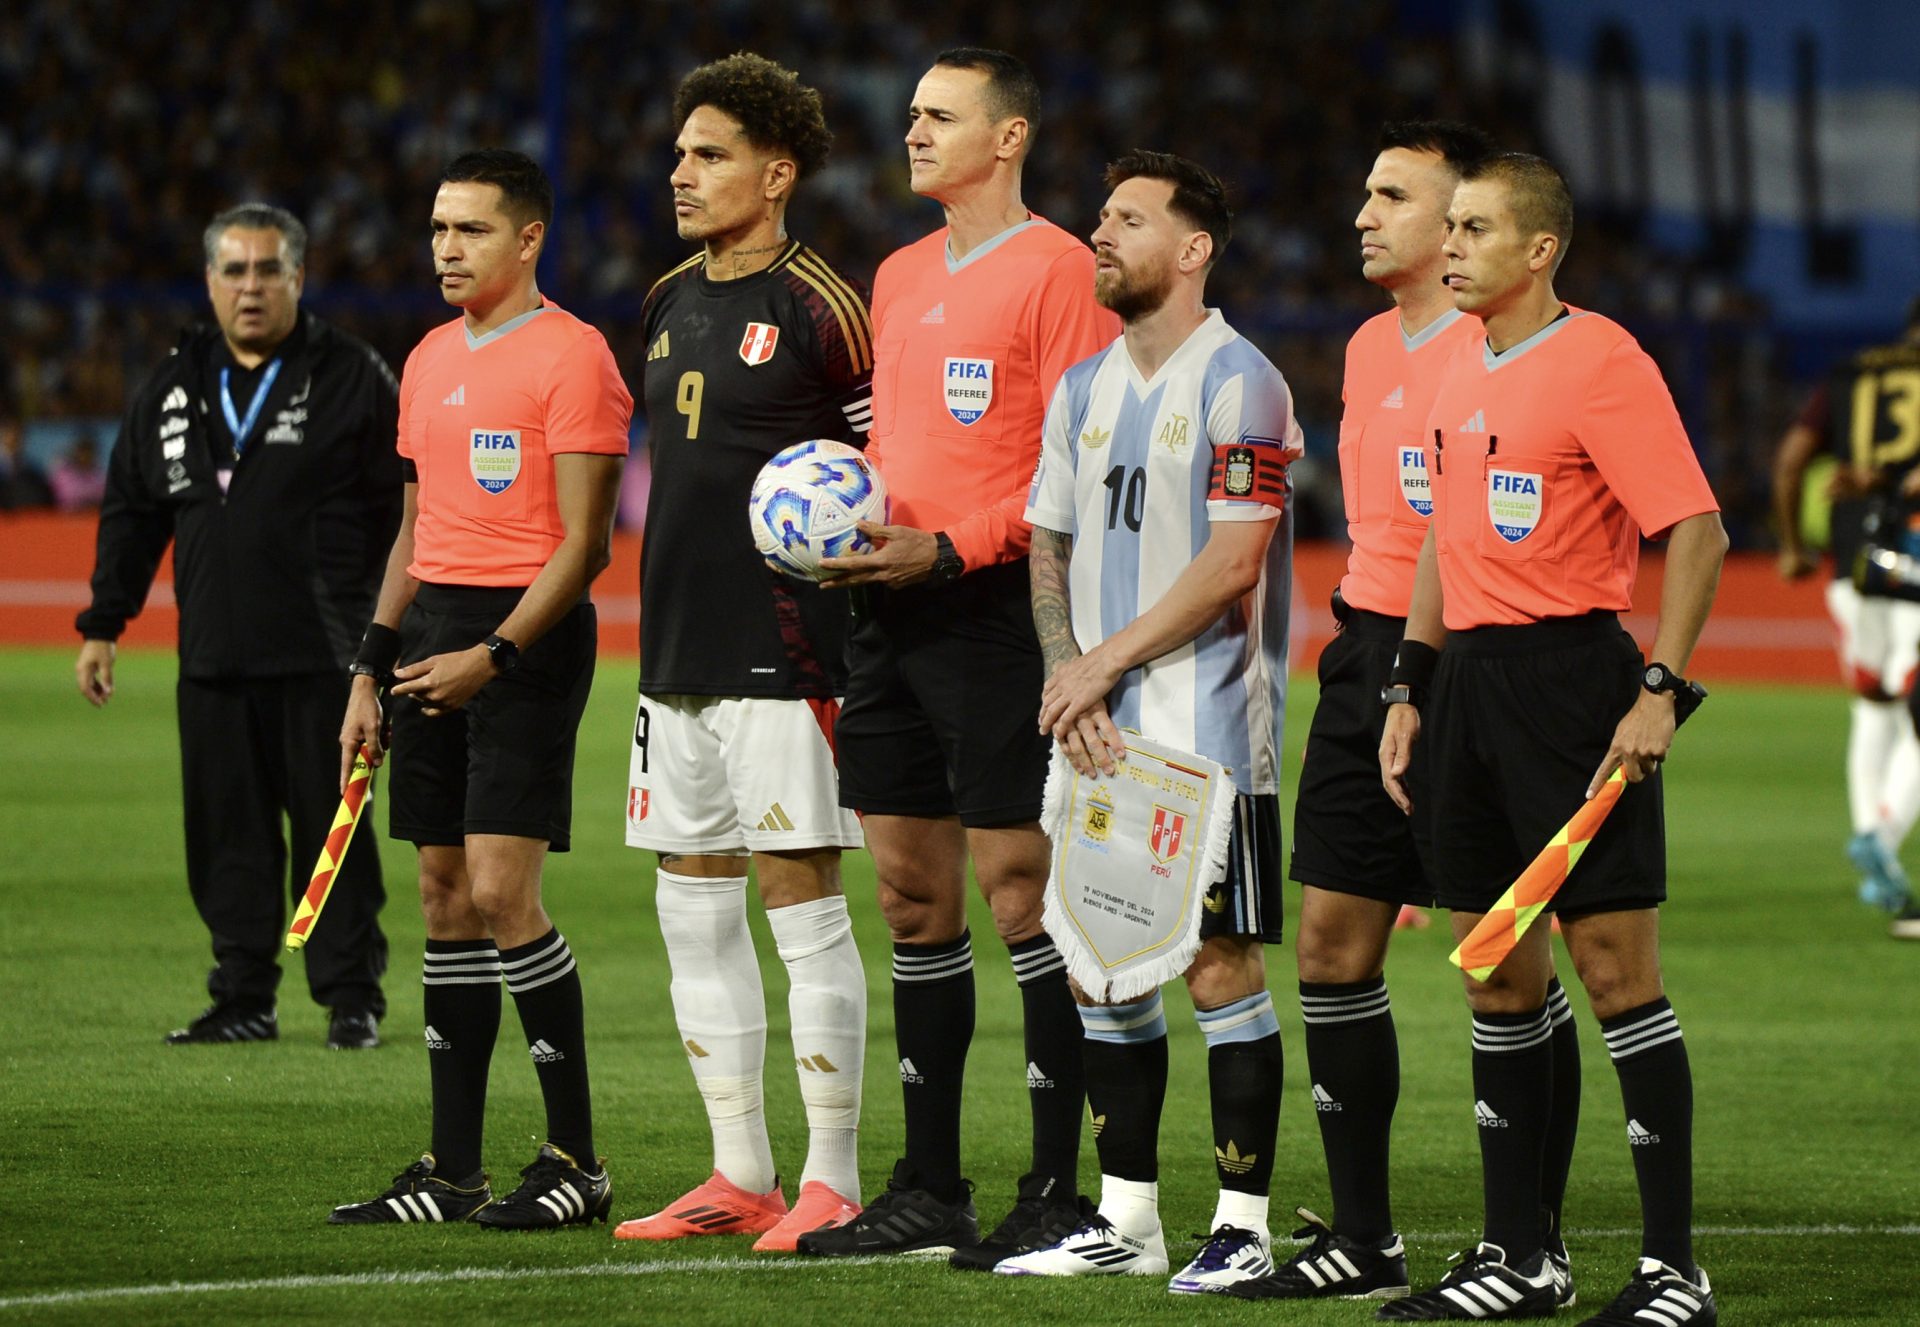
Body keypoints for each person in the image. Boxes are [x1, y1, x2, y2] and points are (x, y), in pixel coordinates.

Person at [1376, 152, 1727, 1325]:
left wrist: (1661, 687)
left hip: (1575, 683)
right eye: (1451, 225)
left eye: (1474, 227)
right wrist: (1408, 687)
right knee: (1496, 970)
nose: (1451, 244)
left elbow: (1697, 529)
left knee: (1615, 967)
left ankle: (1676, 1269)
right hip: (1469, 687)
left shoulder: (1602, 361)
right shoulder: (1452, 365)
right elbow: (1437, 540)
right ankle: (1520, 1256)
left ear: (1539, 251)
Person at [1233, 123, 1578, 1309]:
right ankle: (1364, 1237)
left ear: (1459, 223)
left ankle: (1528, 1239)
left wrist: (1428, 684)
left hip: (1466, 662)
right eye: (1364, 191)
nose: (1365, 213)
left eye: (1395, 196)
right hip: (1360, 644)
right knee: (1329, 941)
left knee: (1504, 959)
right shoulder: (1372, 345)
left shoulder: (1500, 354)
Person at [795, 47, 1120, 1265]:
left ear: (1011, 136)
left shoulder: (1058, 275)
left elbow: (1070, 468)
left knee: (1023, 896)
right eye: (915, 114)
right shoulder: (896, 273)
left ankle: (1057, 1185)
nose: (914, 130)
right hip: (890, 611)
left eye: (942, 116)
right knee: (911, 900)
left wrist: (950, 549)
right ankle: (932, 1183)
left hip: (996, 613)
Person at [993, 150, 1297, 1296]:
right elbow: (1049, 546)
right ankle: (1126, 1218)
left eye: (1127, 219)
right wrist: (1070, 672)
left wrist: (1096, 668)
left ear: (1193, 247)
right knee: (1097, 969)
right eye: (1100, 216)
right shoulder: (1081, 387)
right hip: (1097, 731)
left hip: (1208, 731)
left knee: (1221, 962)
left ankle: (1244, 1223)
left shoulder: (1244, 381)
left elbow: (1233, 562)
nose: (1100, 234)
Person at [330, 149, 631, 1229]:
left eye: (472, 230)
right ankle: (452, 1171)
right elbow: (415, 530)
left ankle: (575, 1162)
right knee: (444, 899)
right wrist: (372, 663)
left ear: (530, 238)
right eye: (439, 229)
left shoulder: (575, 357)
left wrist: (493, 655)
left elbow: (588, 542)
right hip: (436, 631)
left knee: (506, 895)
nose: (448, 249)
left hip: (527, 635)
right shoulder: (422, 360)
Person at [611, 53, 874, 1254]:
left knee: (800, 904)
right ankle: (739, 1170)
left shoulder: (824, 302)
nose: (683, 172)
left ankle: (832, 1176)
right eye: (680, 152)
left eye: (709, 154)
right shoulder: (667, 299)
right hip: (674, 650)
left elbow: (886, 473)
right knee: (690, 908)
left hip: (789, 652)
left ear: (775, 174)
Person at [75, 203, 396, 1051]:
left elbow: (409, 512)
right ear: (210, 281)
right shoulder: (175, 383)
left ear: (298, 277)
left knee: (333, 838)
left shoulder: (353, 375)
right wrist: (105, 620)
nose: (249, 287)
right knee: (228, 841)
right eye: (233, 270)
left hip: (325, 659)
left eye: (266, 270)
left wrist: (393, 637)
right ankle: (243, 996)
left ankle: (351, 998)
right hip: (212, 660)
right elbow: (132, 507)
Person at [1773, 297, 1920, 917]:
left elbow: (1790, 461)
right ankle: (1880, 841)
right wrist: (1891, 480)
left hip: (1850, 557)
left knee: (1874, 704)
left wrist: (1791, 545)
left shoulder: (1850, 373)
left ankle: (1876, 847)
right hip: (1911, 551)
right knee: (1915, 698)